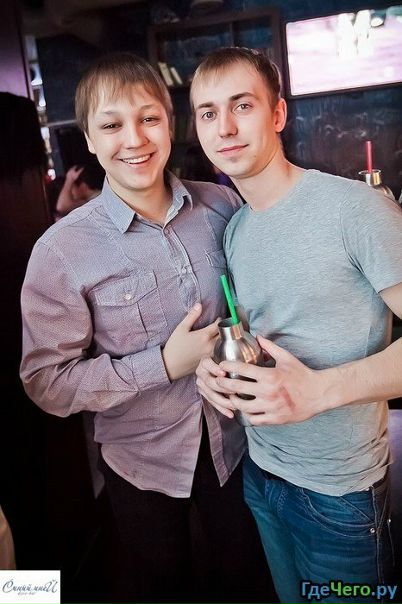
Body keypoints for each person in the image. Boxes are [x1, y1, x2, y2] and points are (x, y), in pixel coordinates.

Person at [19, 52, 270, 603]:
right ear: (89, 139)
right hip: (142, 466)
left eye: (148, 118)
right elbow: (46, 382)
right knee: (160, 588)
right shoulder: (61, 251)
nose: (134, 139)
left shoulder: (222, 204)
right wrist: (163, 364)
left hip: (237, 446)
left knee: (247, 579)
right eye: (111, 125)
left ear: (170, 123)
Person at [191, 47, 402, 604]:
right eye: (208, 112)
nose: (225, 127)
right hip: (261, 474)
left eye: (242, 105)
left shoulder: (355, 209)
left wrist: (319, 391)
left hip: (339, 495)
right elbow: (262, 336)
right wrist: (214, 369)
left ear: (278, 113)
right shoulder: (236, 228)